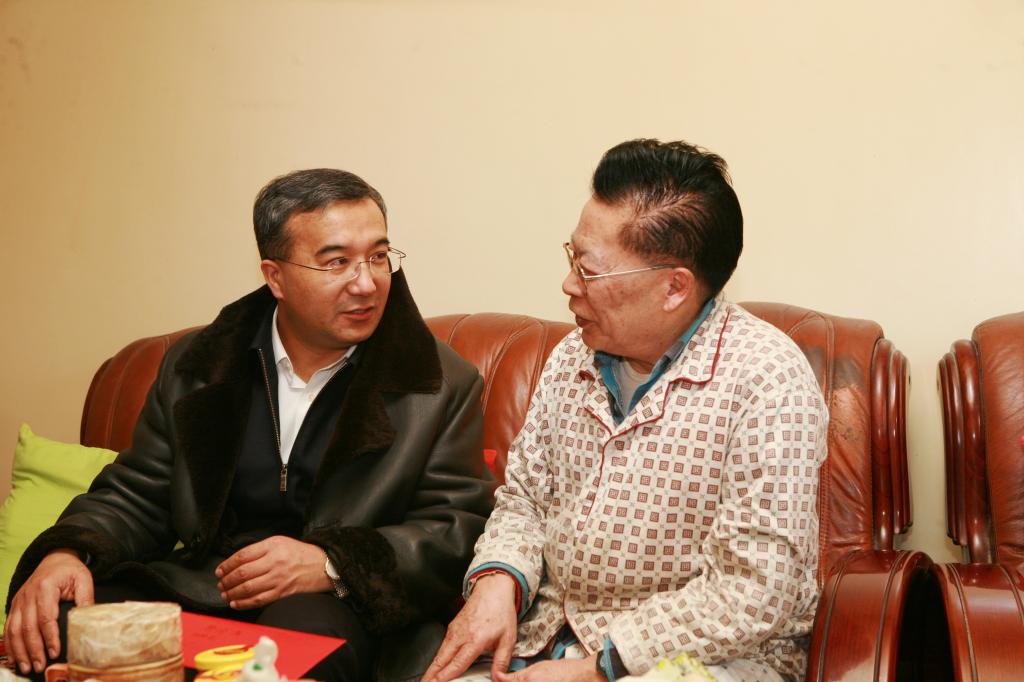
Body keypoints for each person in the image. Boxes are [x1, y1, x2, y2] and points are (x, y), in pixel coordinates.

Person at [4, 169, 494, 681]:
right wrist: (68, 551)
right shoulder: (199, 366)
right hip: (206, 587)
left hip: (339, 606)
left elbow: (455, 529)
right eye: (337, 262)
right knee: (64, 625)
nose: (367, 282)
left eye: (378, 256)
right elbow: (139, 494)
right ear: (275, 276)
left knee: (287, 656)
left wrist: (331, 564)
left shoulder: (437, 384)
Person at [424, 139, 828, 682]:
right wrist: (498, 583)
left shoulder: (768, 379)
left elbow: (751, 590)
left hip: (705, 662)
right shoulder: (573, 355)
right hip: (546, 638)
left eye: (589, 271)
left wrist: (601, 666)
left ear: (673, 288)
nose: (569, 285)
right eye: (572, 258)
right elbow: (525, 501)